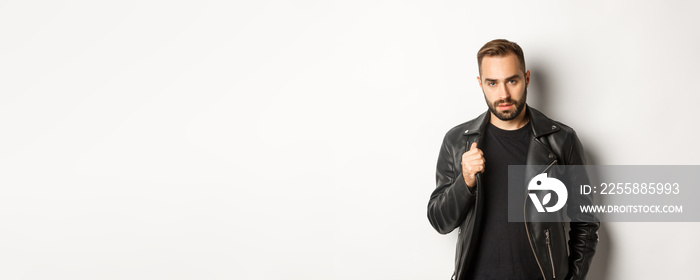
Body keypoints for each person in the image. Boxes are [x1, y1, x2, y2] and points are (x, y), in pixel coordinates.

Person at [427, 39, 599, 280]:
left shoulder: (561, 140)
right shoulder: (458, 141)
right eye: (492, 83)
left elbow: (585, 223)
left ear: (526, 78)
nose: (504, 94)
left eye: (512, 80)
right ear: (481, 84)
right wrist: (464, 181)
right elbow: (440, 221)